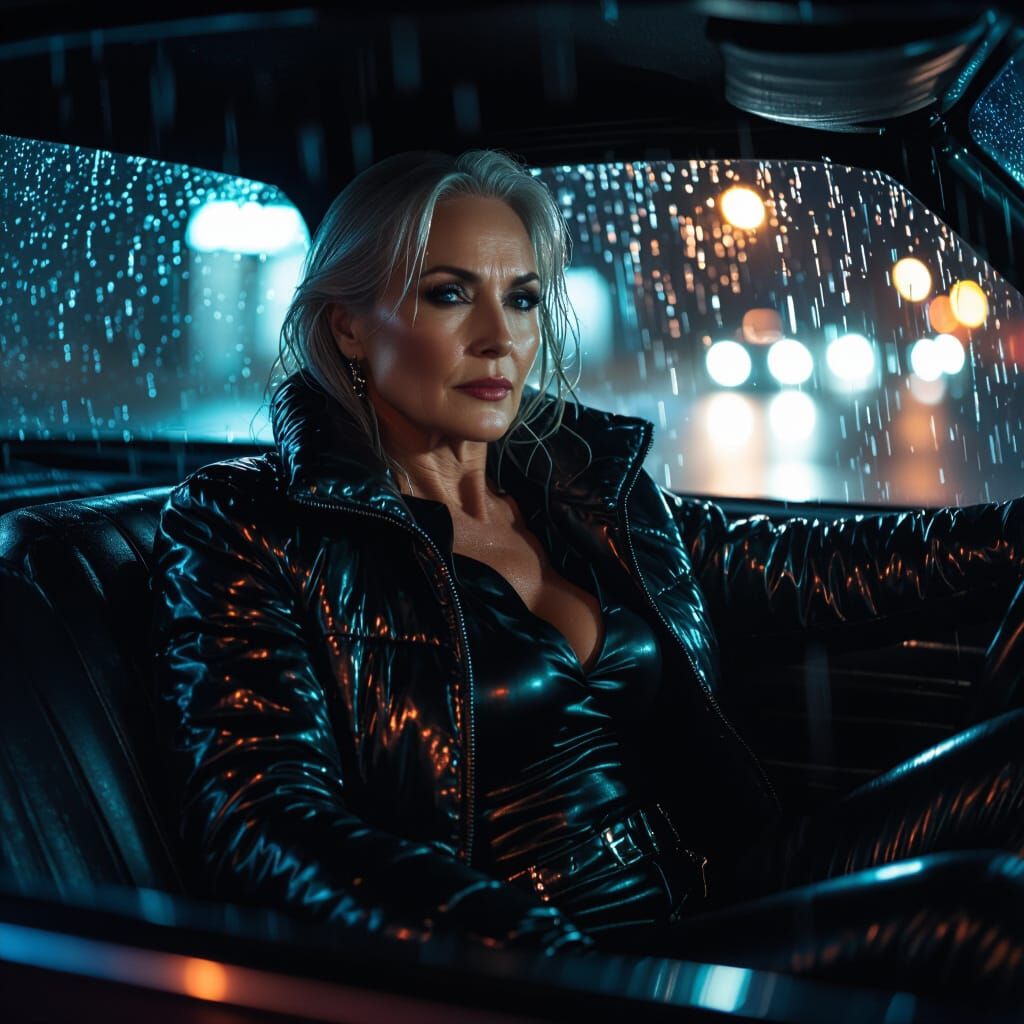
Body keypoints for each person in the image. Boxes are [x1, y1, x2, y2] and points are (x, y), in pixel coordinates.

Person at [151, 148, 1024, 1003]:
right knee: (978, 919)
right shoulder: (251, 524)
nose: (500, 338)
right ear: (347, 322)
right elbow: (257, 814)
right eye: (450, 294)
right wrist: (522, 955)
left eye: (522, 298)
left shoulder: (575, 485)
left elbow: (807, 563)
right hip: (556, 955)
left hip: (715, 885)